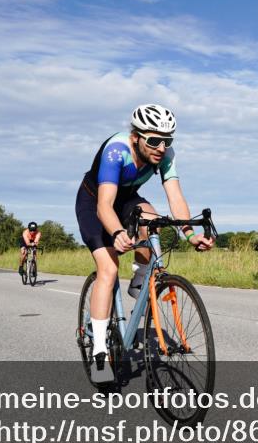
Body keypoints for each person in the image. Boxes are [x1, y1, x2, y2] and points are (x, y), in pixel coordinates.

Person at [75, 104, 215, 382]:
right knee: (108, 269)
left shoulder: (165, 155)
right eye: (153, 141)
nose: (161, 148)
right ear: (136, 137)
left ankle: (140, 278)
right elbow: (104, 206)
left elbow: (175, 197)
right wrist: (117, 232)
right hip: (95, 202)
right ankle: (100, 352)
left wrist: (190, 235)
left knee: (153, 220)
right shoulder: (117, 151)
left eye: (167, 141)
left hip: (127, 201)